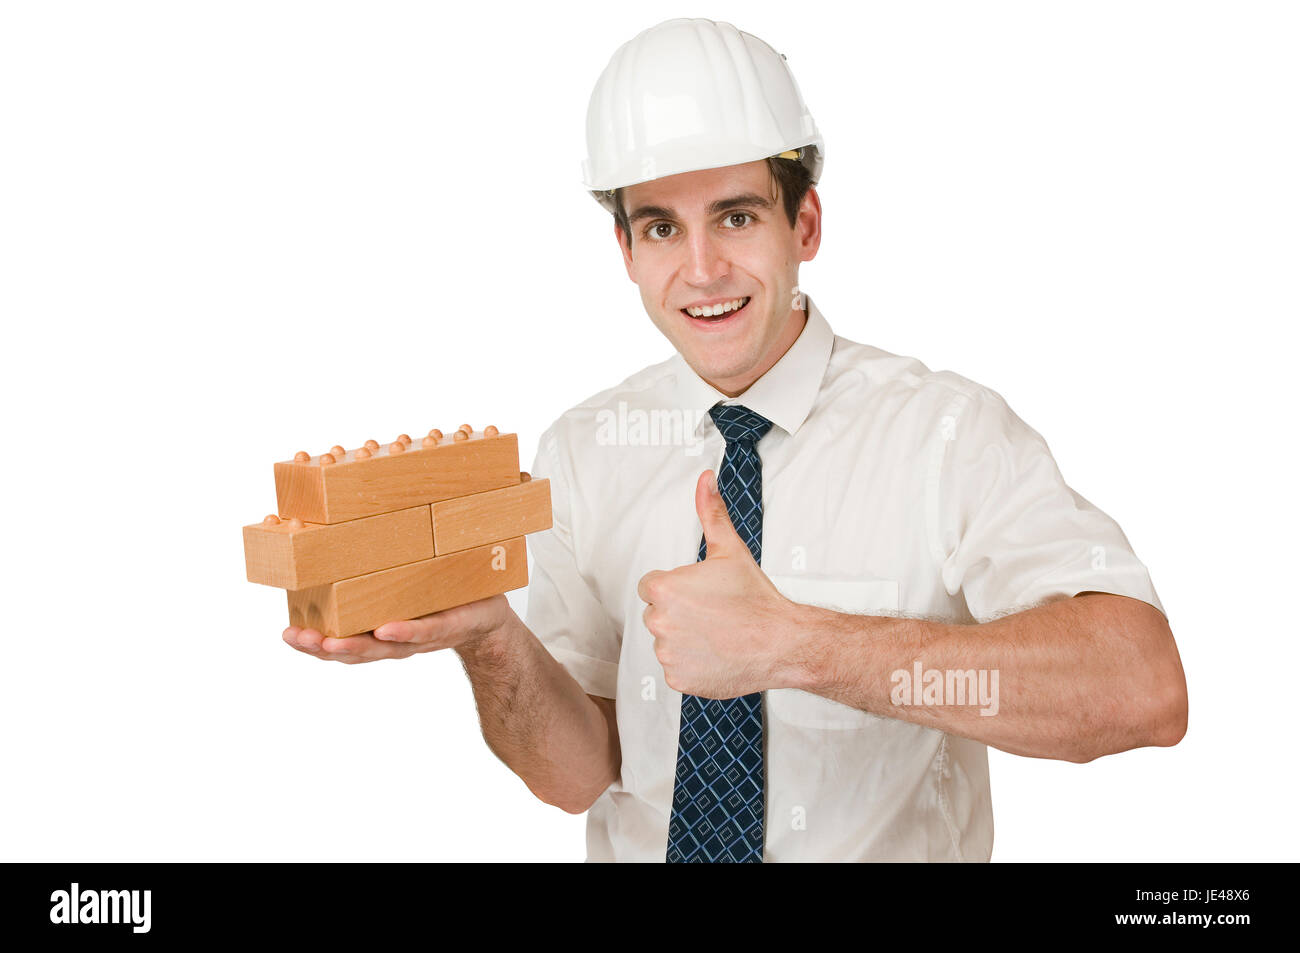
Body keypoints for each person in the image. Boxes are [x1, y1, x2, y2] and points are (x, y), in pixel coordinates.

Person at [282, 17, 1187, 862]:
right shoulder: (583, 453)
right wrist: (487, 635)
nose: (703, 269)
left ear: (806, 224)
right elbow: (576, 775)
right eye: (662, 227)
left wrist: (797, 644)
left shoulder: (944, 435)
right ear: (625, 253)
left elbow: (1141, 687)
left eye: (738, 216)